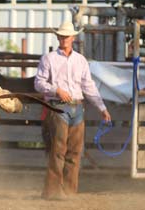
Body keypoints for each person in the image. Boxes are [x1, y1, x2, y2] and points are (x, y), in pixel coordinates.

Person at [35, 21, 111, 200]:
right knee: (58, 149)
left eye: (66, 36)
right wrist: (56, 90)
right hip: (58, 106)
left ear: (73, 38)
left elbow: (88, 86)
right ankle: (54, 191)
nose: (64, 39)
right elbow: (39, 83)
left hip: (77, 107)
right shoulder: (49, 59)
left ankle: (69, 190)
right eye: (61, 36)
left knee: (75, 151)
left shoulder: (80, 60)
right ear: (58, 37)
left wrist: (102, 107)